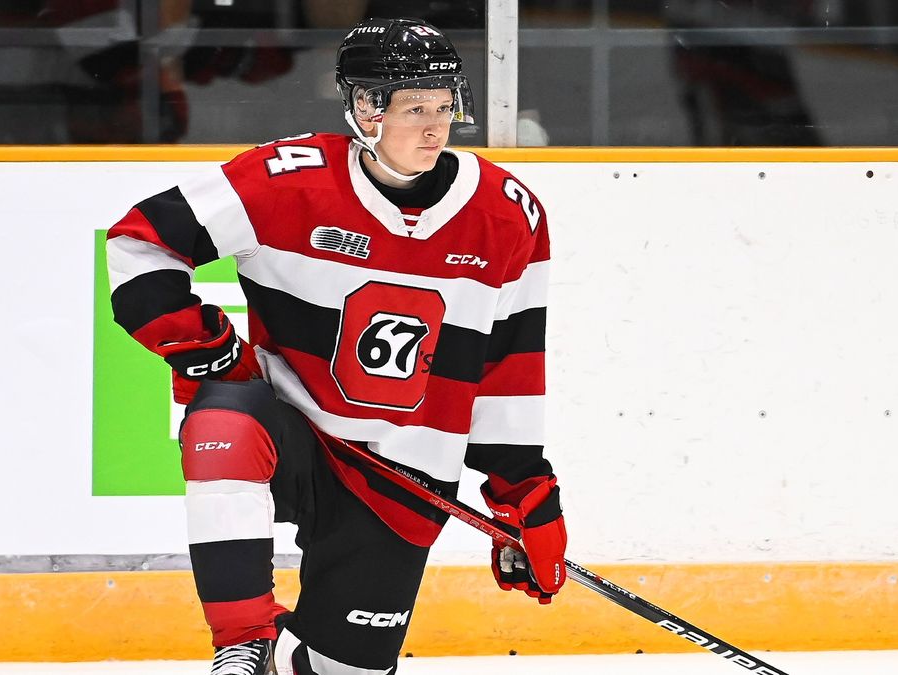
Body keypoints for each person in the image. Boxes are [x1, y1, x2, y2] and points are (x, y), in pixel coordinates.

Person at [104, 17, 567, 675]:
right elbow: (139, 240)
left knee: (340, 669)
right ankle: (243, 639)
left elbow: (509, 370)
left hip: (405, 480)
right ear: (364, 108)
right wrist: (206, 350)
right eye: (415, 109)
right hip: (297, 437)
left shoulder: (507, 214)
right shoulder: (286, 179)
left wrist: (524, 497)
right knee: (224, 418)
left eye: (444, 106)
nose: (435, 127)